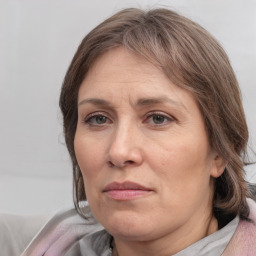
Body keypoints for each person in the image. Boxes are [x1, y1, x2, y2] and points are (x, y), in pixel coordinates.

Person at [21, 7, 256, 256]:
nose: (119, 151)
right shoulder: (35, 244)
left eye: (158, 118)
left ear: (220, 151)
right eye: (98, 118)